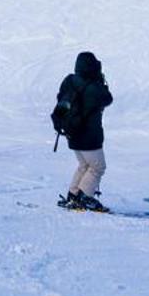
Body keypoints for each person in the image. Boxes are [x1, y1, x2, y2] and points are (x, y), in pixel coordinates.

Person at [52, 51, 114, 211]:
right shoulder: (93, 87)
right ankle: (85, 197)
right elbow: (108, 98)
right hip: (89, 136)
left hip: (72, 132)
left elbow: (61, 98)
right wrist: (99, 79)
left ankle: (73, 195)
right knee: (98, 167)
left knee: (84, 165)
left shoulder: (69, 81)